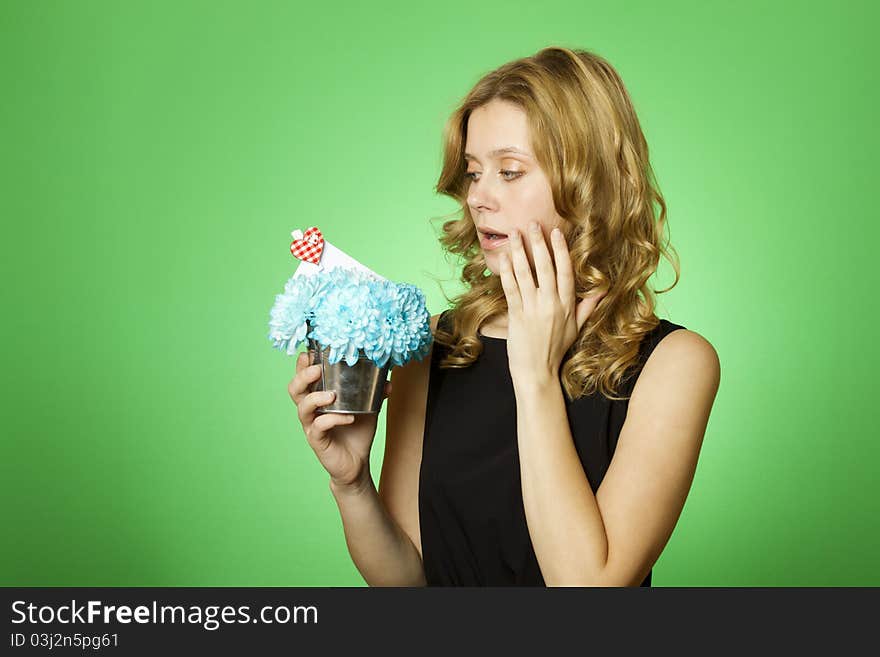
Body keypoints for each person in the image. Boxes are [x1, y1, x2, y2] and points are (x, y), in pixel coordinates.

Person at [288, 46, 720, 587]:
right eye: (473, 173)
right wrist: (352, 483)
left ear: (591, 184)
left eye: (511, 172)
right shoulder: (436, 345)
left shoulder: (675, 364)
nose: (479, 197)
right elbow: (407, 582)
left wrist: (535, 377)